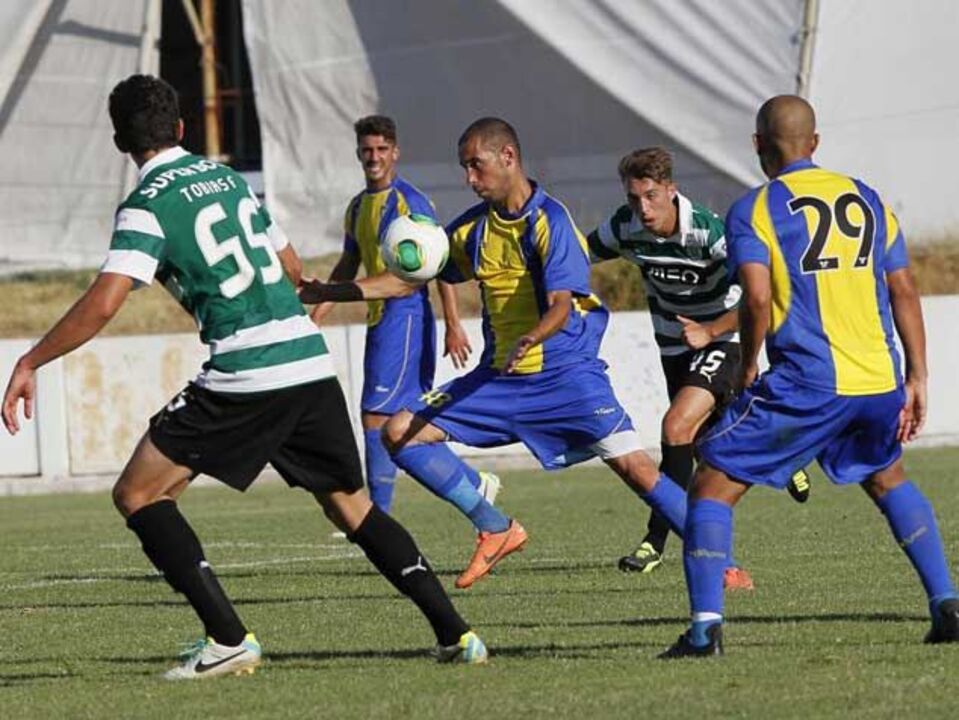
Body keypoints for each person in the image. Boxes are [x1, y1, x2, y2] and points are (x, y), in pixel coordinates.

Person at [1, 75, 488, 679]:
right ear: (181, 128)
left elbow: (104, 303)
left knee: (137, 493)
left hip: (246, 371)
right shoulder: (230, 181)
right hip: (308, 363)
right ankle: (457, 634)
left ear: (120, 141)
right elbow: (288, 267)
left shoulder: (148, 205)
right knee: (352, 506)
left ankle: (228, 639)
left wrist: (30, 362)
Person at [301, 117, 693, 591]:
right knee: (400, 433)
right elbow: (409, 278)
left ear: (508, 158)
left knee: (636, 469)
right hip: (500, 379)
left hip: (565, 375)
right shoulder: (471, 230)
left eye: (476, 165)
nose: (469, 178)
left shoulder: (551, 220)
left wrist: (533, 337)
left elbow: (562, 305)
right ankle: (495, 526)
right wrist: (329, 291)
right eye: (465, 167)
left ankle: (719, 558)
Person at [659, 95, 958, 658]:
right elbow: (905, 290)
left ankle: (704, 631)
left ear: (757, 146)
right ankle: (947, 604)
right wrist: (919, 377)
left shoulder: (755, 209)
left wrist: (747, 363)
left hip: (808, 384)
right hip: (876, 380)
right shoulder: (867, 199)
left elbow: (756, 295)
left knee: (710, 484)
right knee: (887, 477)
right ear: (814, 143)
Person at [587, 148, 806, 584]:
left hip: (725, 339)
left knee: (675, 428)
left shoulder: (709, 233)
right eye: (634, 198)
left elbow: (759, 296)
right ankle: (780, 446)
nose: (643, 208)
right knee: (708, 444)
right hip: (673, 348)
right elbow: (574, 255)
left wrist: (710, 330)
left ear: (671, 189)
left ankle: (655, 540)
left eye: (651, 196)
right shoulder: (624, 228)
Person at [311, 115, 499, 513]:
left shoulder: (408, 202)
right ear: (358, 153)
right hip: (380, 319)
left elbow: (438, 259)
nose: (374, 157)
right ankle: (474, 482)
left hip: (406, 316)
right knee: (402, 422)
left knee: (376, 420)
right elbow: (350, 260)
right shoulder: (359, 206)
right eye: (367, 150)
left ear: (395, 152)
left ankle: (378, 517)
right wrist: (319, 311)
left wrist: (452, 324)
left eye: (381, 149)